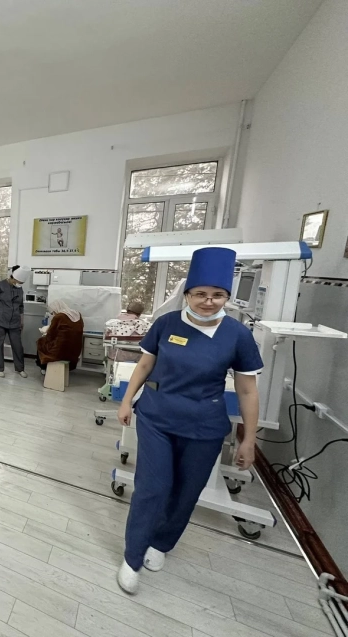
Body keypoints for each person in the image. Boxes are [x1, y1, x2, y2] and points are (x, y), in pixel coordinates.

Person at [115, 247, 262, 595]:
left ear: (227, 297)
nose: (208, 302)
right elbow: (145, 364)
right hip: (157, 416)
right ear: (187, 294)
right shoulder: (166, 324)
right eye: (200, 294)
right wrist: (126, 399)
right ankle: (132, 558)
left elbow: (247, 390)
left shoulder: (238, 335)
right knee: (152, 488)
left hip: (204, 426)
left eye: (217, 295)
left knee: (186, 492)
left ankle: (161, 543)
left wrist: (248, 439)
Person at [0, 266, 30, 378]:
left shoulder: (19, 289)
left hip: (15, 321)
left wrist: (21, 320)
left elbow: (21, 306)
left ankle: (20, 368)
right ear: (13, 278)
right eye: (19, 282)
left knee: (18, 345)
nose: (20, 284)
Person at [36, 299, 83, 374]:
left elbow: (50, 335)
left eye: (53, 312)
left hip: (60, 352)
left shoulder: (59, 317)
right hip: (75, 351)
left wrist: (45, 332)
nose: (53, 314)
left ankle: (43, 367)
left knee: (40, 341)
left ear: (56, 309)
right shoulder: (78, 314)